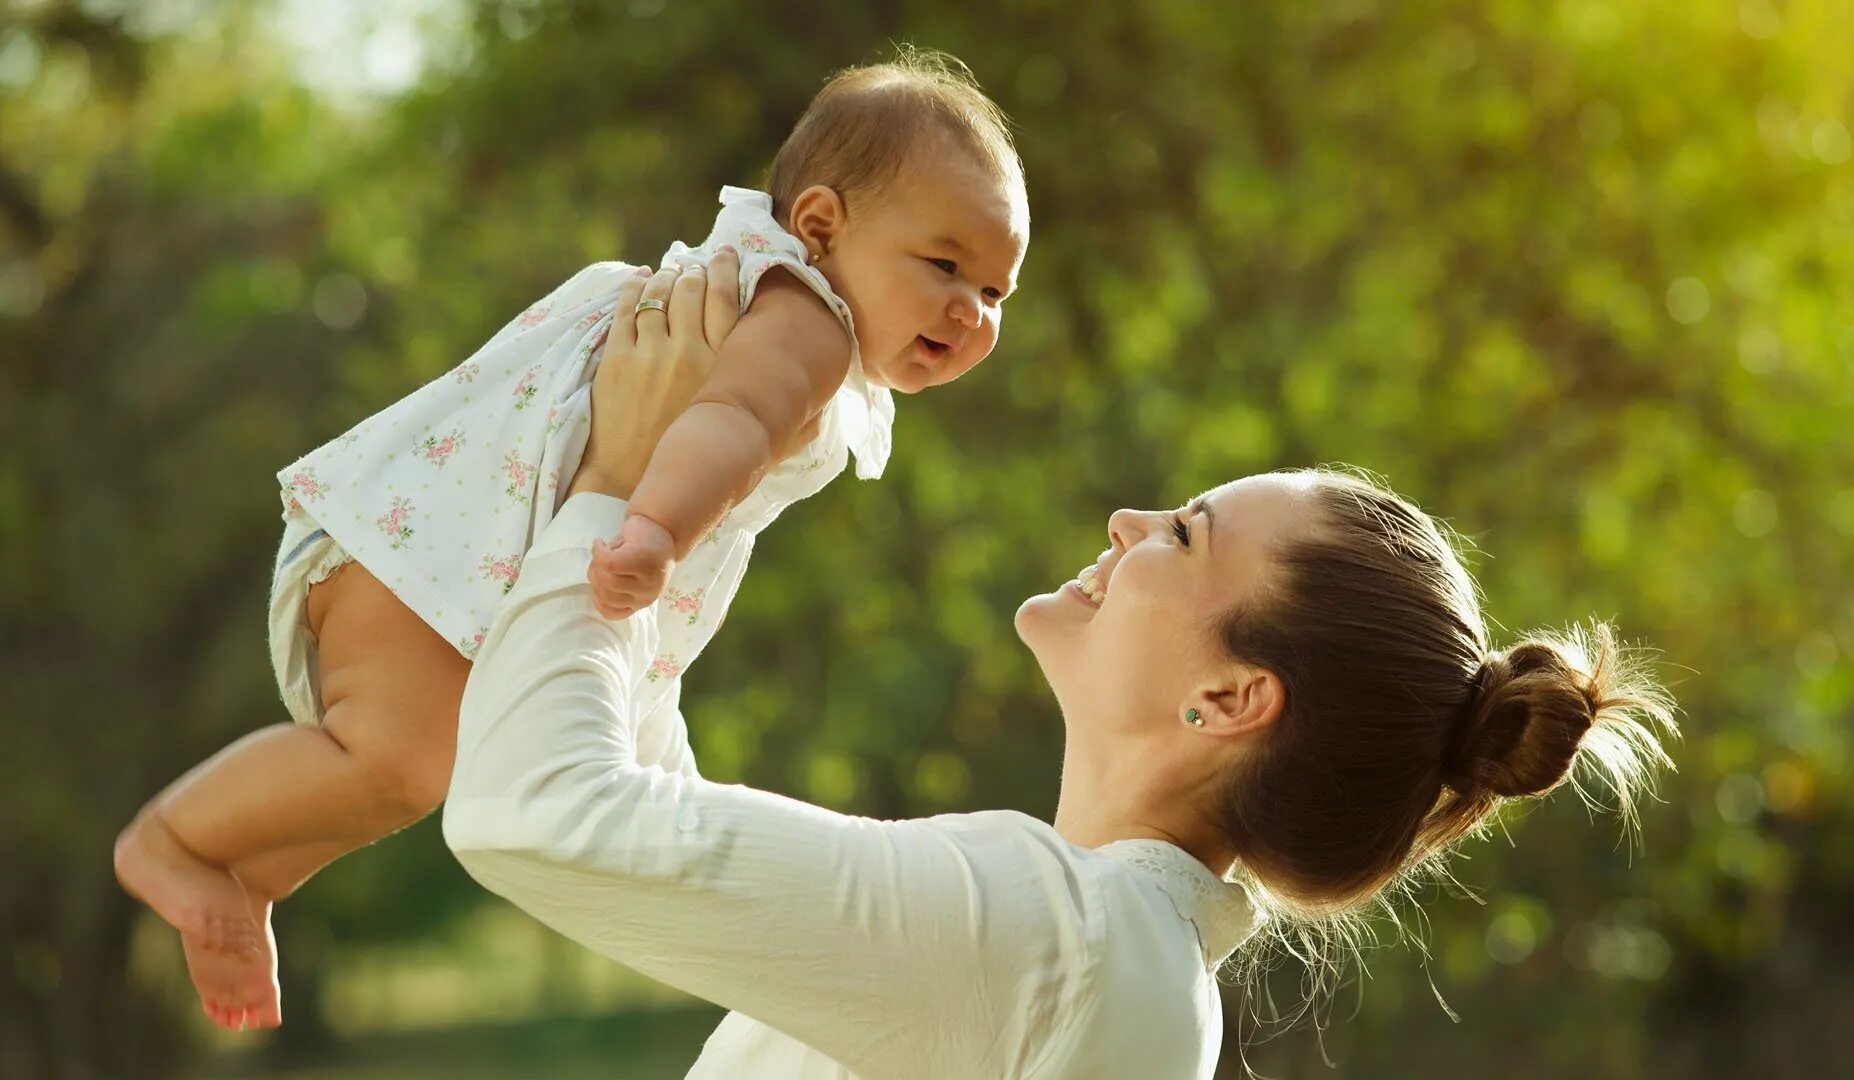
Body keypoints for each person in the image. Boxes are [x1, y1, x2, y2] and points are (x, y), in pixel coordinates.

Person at [442, 263, 1678, 1078]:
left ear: (1232, 700)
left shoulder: (1061, 937)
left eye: (1185, 535)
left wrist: (618, 484)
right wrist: (710, 486)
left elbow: (538, 811)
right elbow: (650, 809)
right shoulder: (1097, 948)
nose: (1131, 523)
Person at [111, 49, 1029, 1030]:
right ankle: (173, 843)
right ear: (819, 224)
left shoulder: (779, 299)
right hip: (425, 555)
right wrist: (654, 530)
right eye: (944, 265)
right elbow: (729, 424)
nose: (970, 311)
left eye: (996, 292)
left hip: (429, 548)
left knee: (405, 772)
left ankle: (249, 873)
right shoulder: (808, 323)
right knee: (393, 761)